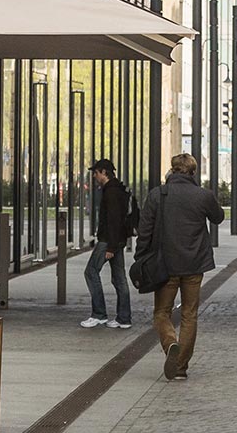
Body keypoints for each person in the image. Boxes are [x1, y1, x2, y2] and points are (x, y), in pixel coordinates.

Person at [138, 153, 224, 381]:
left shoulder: (158, 195)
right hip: (194, 265)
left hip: (165, 265)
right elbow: (218, 217)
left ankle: (170, 343)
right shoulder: (202, 195)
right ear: (193, 172)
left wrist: (141, 257)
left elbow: (144, 229)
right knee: (189, 314)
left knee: (161, 313)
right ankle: (180, 367)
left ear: (172, 170)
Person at [81, 158, 133, 329]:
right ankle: (123, 318)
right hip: (118, 240)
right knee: (119, 278)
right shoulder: (119, 190)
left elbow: (113, 220)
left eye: (96, 173)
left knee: (91, 272)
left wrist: (110, 247)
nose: (94, 176)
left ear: (104, 172)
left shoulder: (111, 192)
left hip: (108, 241)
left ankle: (99, 314)